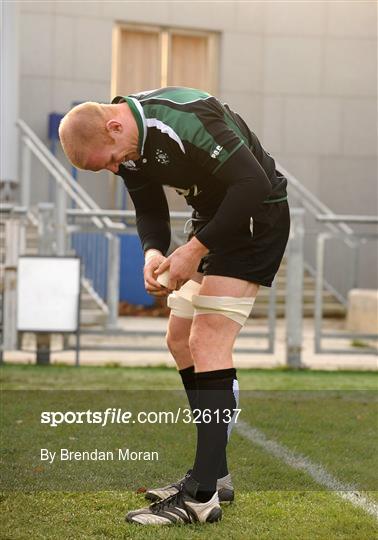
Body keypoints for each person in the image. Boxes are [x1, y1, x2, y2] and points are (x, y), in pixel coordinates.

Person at [59, 86, 290, 526]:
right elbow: (148, 206)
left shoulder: (185, 118)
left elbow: (254, 184)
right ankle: (216, 474)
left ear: (113, 126)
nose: (115, 168)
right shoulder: (127, 144)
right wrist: (153, 251)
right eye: (106, 168)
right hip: (212, 218)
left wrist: (193, 250)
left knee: (207, 340)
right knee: (179, 337)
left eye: (109, 160)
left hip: (257, 217)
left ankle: (201, 495)